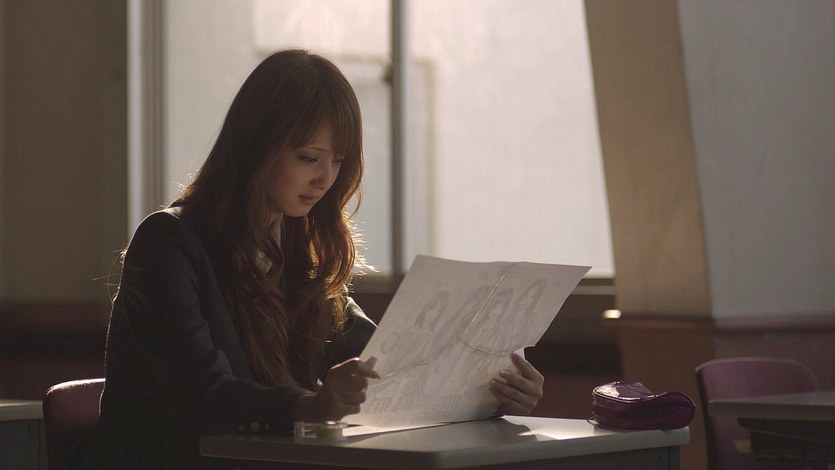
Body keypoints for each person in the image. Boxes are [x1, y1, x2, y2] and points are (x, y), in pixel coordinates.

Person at [93, 49, 543, 468]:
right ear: (255, 145)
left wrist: (489, 390)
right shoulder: (168, 242)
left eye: (339, 161)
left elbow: (382, 363)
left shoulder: (298, 251)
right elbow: (201, 396)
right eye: (309, 158)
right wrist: (310, 407)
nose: (326, 178)